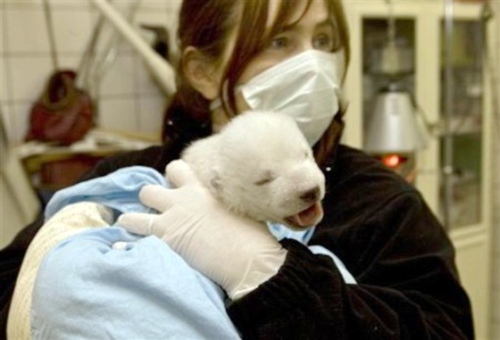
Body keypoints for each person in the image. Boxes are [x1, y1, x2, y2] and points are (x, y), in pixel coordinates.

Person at [0, 0, 474, 338]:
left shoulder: (382, 206)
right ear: (202, 72)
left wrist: (268, 275)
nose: (312, 63)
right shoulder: (128, 180)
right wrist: (60, 257)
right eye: (279, 40)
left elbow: (444, 329)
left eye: (325, 39)